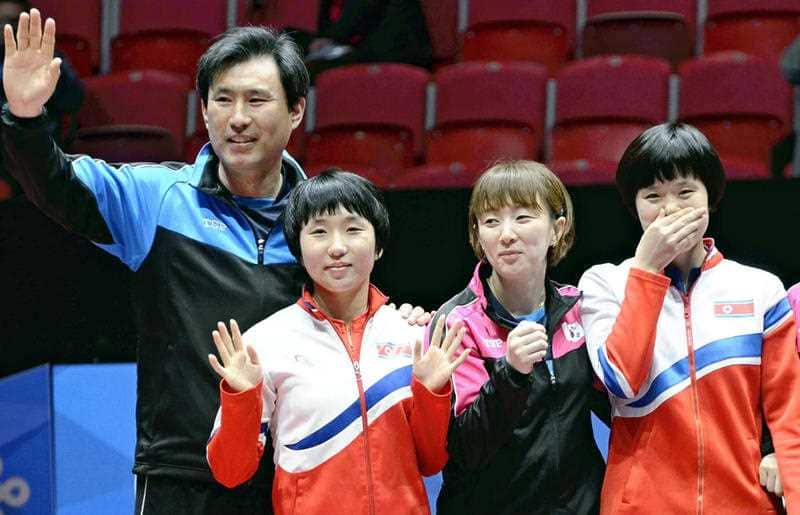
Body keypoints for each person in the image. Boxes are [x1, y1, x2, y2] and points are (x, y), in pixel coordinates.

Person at [0, 11, 427, 515]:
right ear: (203, 110)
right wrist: (26, 118)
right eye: (222, 99)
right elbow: (55, 185)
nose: (237, 117)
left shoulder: (319, 226)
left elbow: (356, 324)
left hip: (290, 475)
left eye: (256, 100)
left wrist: (397, 322)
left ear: (295, 111)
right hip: (180, 478)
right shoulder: (158, 199)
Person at [206, 170, 468, 514]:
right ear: (298, 248)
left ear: (379, 245)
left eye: (353, 228)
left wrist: (431, 392)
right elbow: (230, 472)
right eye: (318, 231)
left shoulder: (413, 334)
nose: (337, 247)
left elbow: (431, 462)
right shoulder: (264, 343)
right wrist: (242, 398)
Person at [579, 122, 800, 513]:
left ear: (710, 196)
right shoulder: (605, 284)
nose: (670, 209)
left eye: (685, 192)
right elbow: (621, 380)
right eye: (652, 196)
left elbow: (787, 411)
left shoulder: (760, 289)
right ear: (634, 205)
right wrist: (647, 270)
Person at [430, 161, 608, 514]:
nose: (506, 234)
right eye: (491, 221)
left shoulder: (579, 310)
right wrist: (511, 373)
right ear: (477, 235)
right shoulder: (456, 323)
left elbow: (621, 406)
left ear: (557, 229)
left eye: (523, 217)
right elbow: (466, 448)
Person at [0, 0, 83, 199]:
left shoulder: (48, 59)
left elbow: (74, 99)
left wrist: (50, 77)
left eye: (11, 20)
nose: (4, 27)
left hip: (35, 153)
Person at [304, 0, 432, 80]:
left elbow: (360, 10)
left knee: (309, 70)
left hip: (396, 52)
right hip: (367, 48)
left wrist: (330, 38)